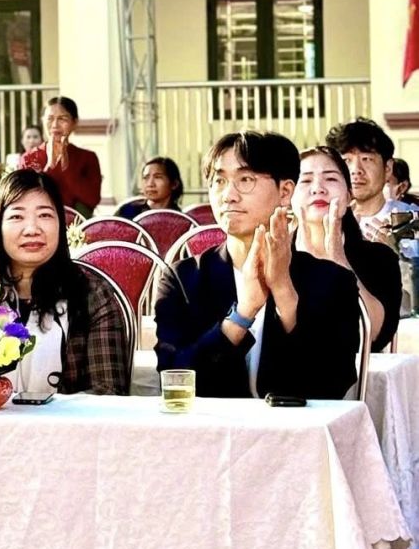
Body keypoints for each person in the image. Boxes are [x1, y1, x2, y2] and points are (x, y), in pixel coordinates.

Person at [155, 131, 359, 400]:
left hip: (295, 427)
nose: (228, 195)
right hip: (213, 426)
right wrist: (242, 314)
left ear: (285, 191)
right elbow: (174, 381)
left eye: (245, 180)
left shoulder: (331, 280)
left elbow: (331, 385)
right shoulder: (183, 279)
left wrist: (284, 293)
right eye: (219, 181)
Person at [0, 169, 130, 395]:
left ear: (60, 224)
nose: (32, 229)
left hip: (72, 420)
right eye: (17, 216)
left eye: (45, 215)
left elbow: (108, 392)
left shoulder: (92, 294)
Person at [292, 147, 400, 352]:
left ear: (349, 195)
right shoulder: (273, 255)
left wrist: (338, 259)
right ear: (287, 195)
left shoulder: (379, 258)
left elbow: (376, 335)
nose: (318, 188)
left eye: (331, 179)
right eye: (305, 180)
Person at [326, 117, 408, 245]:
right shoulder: (323, 220)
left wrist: (393, 253)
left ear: (387, 168)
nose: (356, 170)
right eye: (346, 160)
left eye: (366, 159)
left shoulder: (410, 220)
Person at [19, 96, 102, 217]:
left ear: (74, 122)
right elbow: (26, 198)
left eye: (62, 119)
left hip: (76, 226)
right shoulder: (29, 158)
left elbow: (92, 199)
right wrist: (49, 167)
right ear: (42, 121)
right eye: (50, 119)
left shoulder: (87, 158)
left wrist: (65, 166)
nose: (55, 125)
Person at [116, 157, 184, 219]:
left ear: (174, 184)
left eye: (157, 177)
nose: (150, 184)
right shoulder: (128, 211)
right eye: (146, 178)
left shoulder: (180, 218)